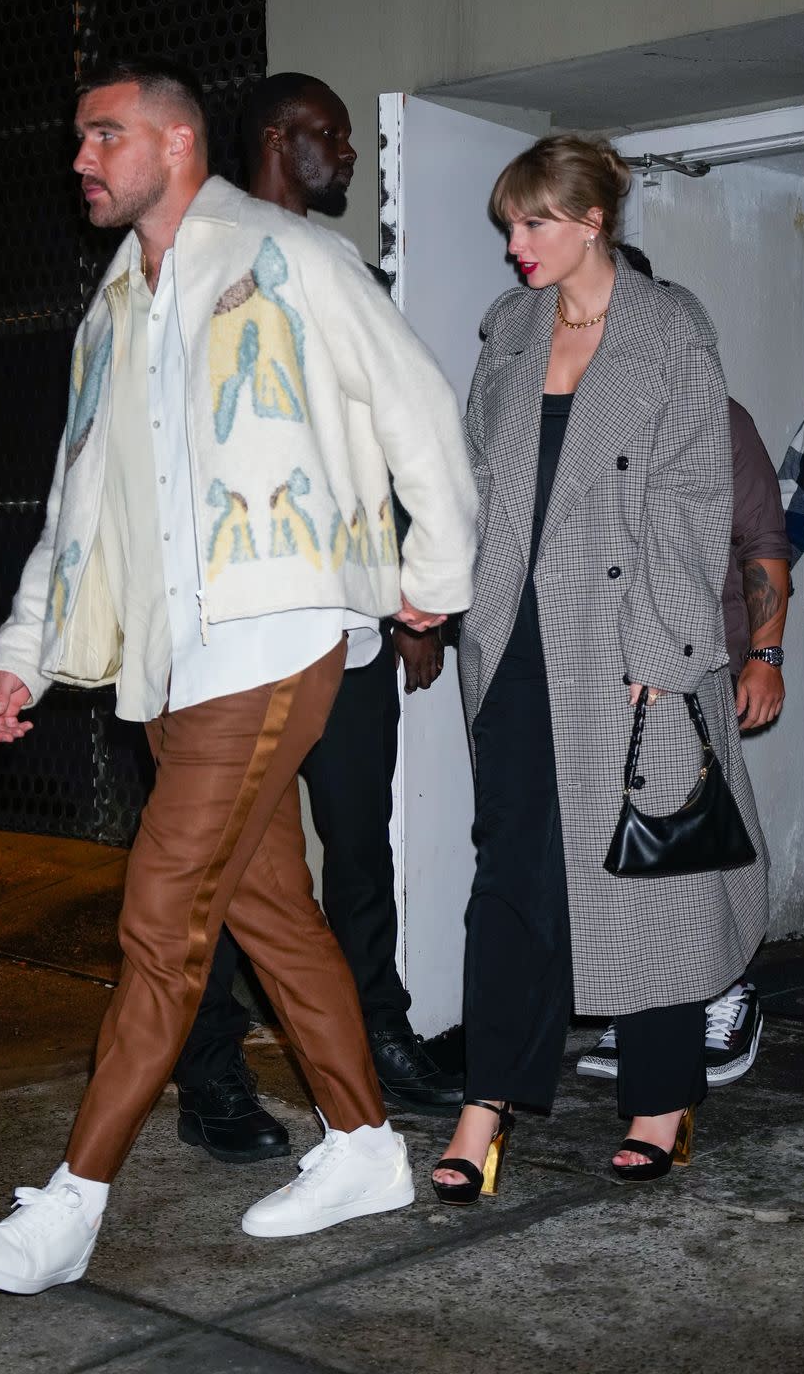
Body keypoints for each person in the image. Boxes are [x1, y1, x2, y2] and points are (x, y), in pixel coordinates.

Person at [0, 57, 477, 1293]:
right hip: (171, 661)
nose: (80, 159)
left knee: (159, 918)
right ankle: (361, 1146)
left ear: (176, 144)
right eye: (80, 139)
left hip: (276, 629)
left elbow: (418, 409)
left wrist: (435, 575)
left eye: (103, 136)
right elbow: (77, 505)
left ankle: (72, 1203)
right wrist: (21, 647)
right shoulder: (114, 309)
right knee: (271, 915)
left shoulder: (293, 260)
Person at [432, 135, 769, 1203]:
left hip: (631, 642)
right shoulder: (510, 330)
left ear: (588, 222)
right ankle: (489, 1102)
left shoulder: (669, 332)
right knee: (510, 872)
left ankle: (660, 1103)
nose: (514, 247)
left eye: (532, 224)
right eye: (508, 226)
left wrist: (668, 655)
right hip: (516, 638)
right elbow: (472, 482)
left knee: (647, 873)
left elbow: (688, 498)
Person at [170, 74, 460, 1166]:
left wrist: (413, 603)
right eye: (332, 136)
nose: (350, 154)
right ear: (277, 141)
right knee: (218, 861)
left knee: (360, 850)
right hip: (230, 637)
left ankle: (378, 1037)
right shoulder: (188, 268)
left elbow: (391, 441)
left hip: (348, 633)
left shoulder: (351, 274)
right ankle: (210, 1077)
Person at [575, 244, 790, 1089]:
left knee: (703, 835)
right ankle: (653, 1001)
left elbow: (763, 541)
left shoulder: (713, 415)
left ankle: (727, 992)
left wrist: (765, 657)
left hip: (699, 668)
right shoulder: (564, 416)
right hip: (599, 677)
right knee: (625, 849)